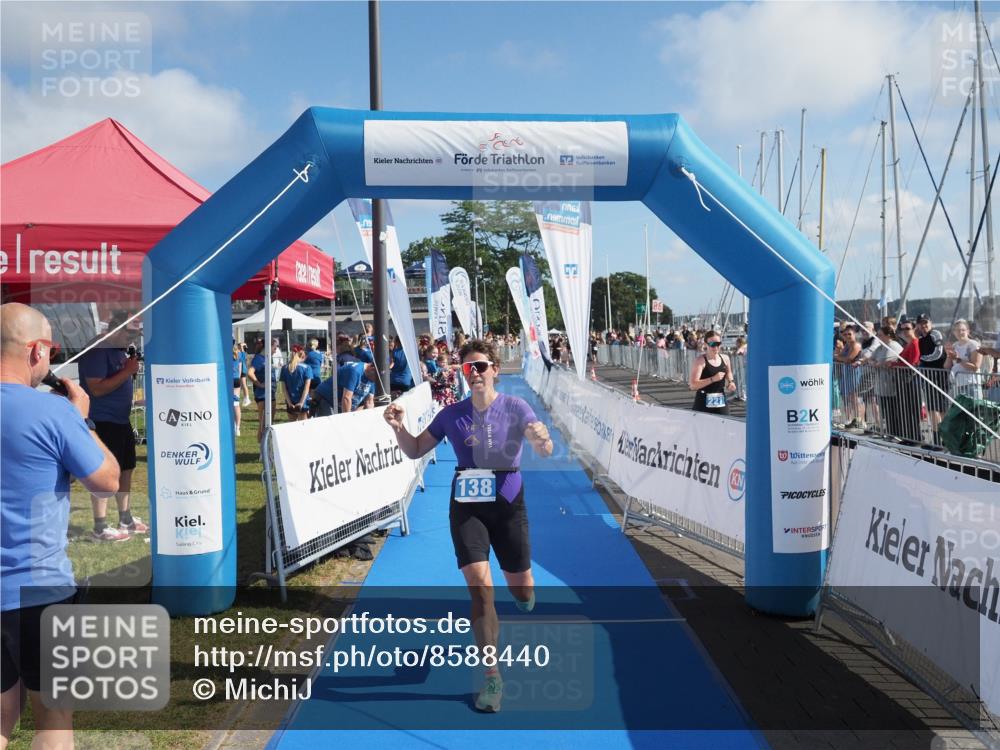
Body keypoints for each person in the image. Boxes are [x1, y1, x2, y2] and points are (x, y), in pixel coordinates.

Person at [383, 339, 553, 713]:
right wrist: (398, 428)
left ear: (495, 370)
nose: (474, 373)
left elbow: (543, 445)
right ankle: (491, 676)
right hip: (467, 507)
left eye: (481, 366)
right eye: (467, 368)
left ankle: (523, 594)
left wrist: (542, 440)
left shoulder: (516, 407)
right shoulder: (451, 414)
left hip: (508, 506)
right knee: (480, 587)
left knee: (521, 588)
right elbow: (415, 449)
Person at [1, 303, 120, 750]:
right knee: (53, 719)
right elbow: (107, 481)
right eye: (51, 350)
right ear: (36, 351)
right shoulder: (53, 413)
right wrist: (81, 418)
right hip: (40, 590)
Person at [77, 310, 148, 542]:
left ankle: (125, 518)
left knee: (126, 469)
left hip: (120, 420)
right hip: (102, 422)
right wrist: (127, 371)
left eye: (135, 336)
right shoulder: (98, 350)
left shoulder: (117, 350)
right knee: (103, 472)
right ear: (115, 328)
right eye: (129, 335)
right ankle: (100, 526)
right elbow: (96, 388)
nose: (132, 341)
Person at [916, 313, 949, 436]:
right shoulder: (920, 338)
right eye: (921, 323)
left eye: (926, 322)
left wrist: (921, 359)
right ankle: (937, 437)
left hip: (940, 376)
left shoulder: (935, 334)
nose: (924, 325)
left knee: (941, 408)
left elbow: (938, 353)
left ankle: (945, 436)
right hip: (928, 376)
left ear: (931, 323)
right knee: (931, 408)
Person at [688, 331, 736, 415]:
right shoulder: (700, 361)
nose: (716, 347)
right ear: (705, 344)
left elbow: (729, 373)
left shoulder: (725, 358)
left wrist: (731, 382)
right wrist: (713, 379)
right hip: (703, 400)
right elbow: (693, 385)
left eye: (718, 344)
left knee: (725, 422)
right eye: (712, 344)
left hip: (720, 398)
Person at [247, 338, 277, 442]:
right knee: (263, 424)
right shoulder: (259, 359)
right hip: (262, 395)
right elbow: (250, 373)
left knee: (269, 424)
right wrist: (259, 384)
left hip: (271, 394)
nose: (275, 351)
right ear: (268, 347)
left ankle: (266, 447)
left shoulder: (266, 358)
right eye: (274, 348)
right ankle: (262, 448)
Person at [946, 319, 983, 400]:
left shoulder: (974, 345)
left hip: (971, 385)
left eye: (963, 330)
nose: (960, 332)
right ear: (954, 332)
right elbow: (946, 366)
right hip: (957, 385)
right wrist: (948, 355)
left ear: (968, 331)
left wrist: (958, 359)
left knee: (973, 408)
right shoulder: (954, 345)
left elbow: (975, 367)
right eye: (957, 330)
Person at [280, 345, 312, 421]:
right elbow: (306, 389)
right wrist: (301, 403)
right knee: (303, 426)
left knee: (292, 426)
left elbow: (284, 389)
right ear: (303, 355)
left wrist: (289, 403)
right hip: (303, 402)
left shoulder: (284, 368)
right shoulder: (307, 368)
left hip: (290, 402)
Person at [231, 342, 245, 437]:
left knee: (230, 404)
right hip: (236, 379)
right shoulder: (239, 353)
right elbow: (240, 369)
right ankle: (237, 428)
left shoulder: (226, 352)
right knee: (236, 404)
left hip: (229, 380)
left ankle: (234, 426)